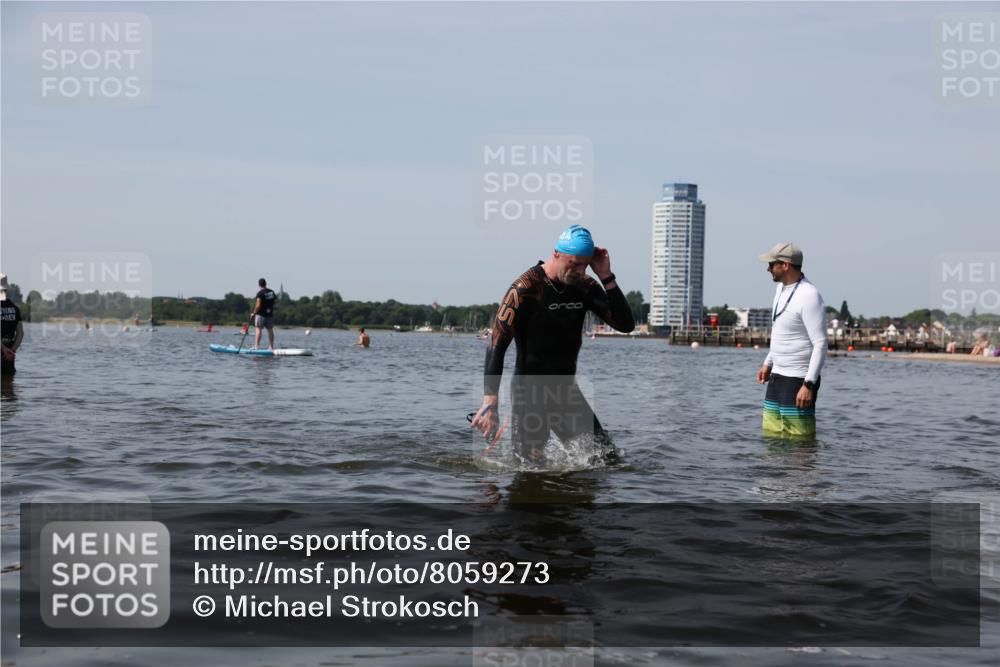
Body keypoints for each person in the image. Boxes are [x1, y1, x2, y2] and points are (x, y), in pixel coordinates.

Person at [471, 225, 635, 463]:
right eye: (574, 263)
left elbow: (625, 324)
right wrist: (490, 401)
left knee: (607, 460)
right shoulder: (526, 288)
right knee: (530, 467)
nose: (579, 270)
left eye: (585, 265)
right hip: (530, 393)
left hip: (566, 392)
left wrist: (606, 277)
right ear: (556, 253)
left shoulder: (584, 286)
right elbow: (497, 343)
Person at [755, 243, 827, 437]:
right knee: (771, 437)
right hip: (777, 376)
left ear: (785, 265)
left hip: (798, 379)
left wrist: (808, 384)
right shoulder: (780, 290)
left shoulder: (809, 295)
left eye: (772, 264)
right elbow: (781, 332)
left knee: (798, 442)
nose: (768, 268)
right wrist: (768, 362)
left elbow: (820, 344)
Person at [1, 273, 24, 377]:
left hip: (4, 352)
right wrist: (12, 350)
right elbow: (20, 333)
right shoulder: (15, 308)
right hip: (8, 358)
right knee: (9, 389)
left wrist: (3, 349)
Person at [252, 278, 277, 350]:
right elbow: (274, 302)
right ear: (266, 283)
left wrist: (254, 313)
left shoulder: (260, 293)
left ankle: (256, 346)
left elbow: (258, 305)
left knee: (258, 329)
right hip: (270, 314)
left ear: (259, 285)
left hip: (260, 314)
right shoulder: (272, 292)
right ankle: (271, 347)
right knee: (270, 330)